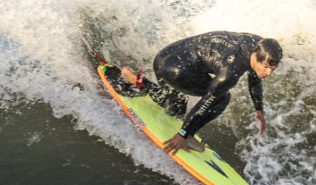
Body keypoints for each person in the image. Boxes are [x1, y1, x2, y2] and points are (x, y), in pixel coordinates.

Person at [120, 31, 282, 154]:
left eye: (272, 69)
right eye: (266, 67)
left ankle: (135, 80)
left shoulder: (257, 44)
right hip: (175, 70)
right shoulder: (231, 72)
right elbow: (207, 101)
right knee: (221, 98)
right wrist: (183, 134)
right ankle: (189, 137)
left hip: (166, 56)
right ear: (255, 57)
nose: (268, 73)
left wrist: (258, 108)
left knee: (176, 108)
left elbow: (255, 76)